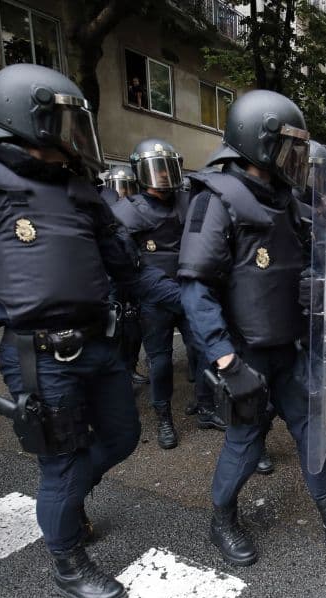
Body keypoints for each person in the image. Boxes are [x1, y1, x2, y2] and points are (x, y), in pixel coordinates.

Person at [0, 64, 194, 598]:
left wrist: (198, 305)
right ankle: (67, 558)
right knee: (63, 464)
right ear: (30, 120)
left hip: (100, 344)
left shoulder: (81, 192)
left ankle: (65, 502)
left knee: (121, 438)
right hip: (40, 356)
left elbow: (131, 270)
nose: (76, 134)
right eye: (65, 121)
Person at [176, 89, 326, 566]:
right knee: (246, 443)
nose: (297, 159)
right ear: (259, 142)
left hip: (290, 347)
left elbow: (308, 256)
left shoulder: (286, 200)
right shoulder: (216, 197)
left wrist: (324, 272)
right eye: (289, 147)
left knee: (314, 429)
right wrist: (225, 361)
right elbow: (195, 287)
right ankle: (222, 520)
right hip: (244, 352)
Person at [111, 138, 195, 450]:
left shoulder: (187, 202)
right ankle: (163, 417)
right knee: (160, 361)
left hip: (188, 290)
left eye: (167, 167)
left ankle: (207, 405)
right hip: (154, 300)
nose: (163, 175)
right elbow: (126, 265)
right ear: (141, 173)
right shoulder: (128, 212)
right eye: (155, 169)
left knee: (200, 349)